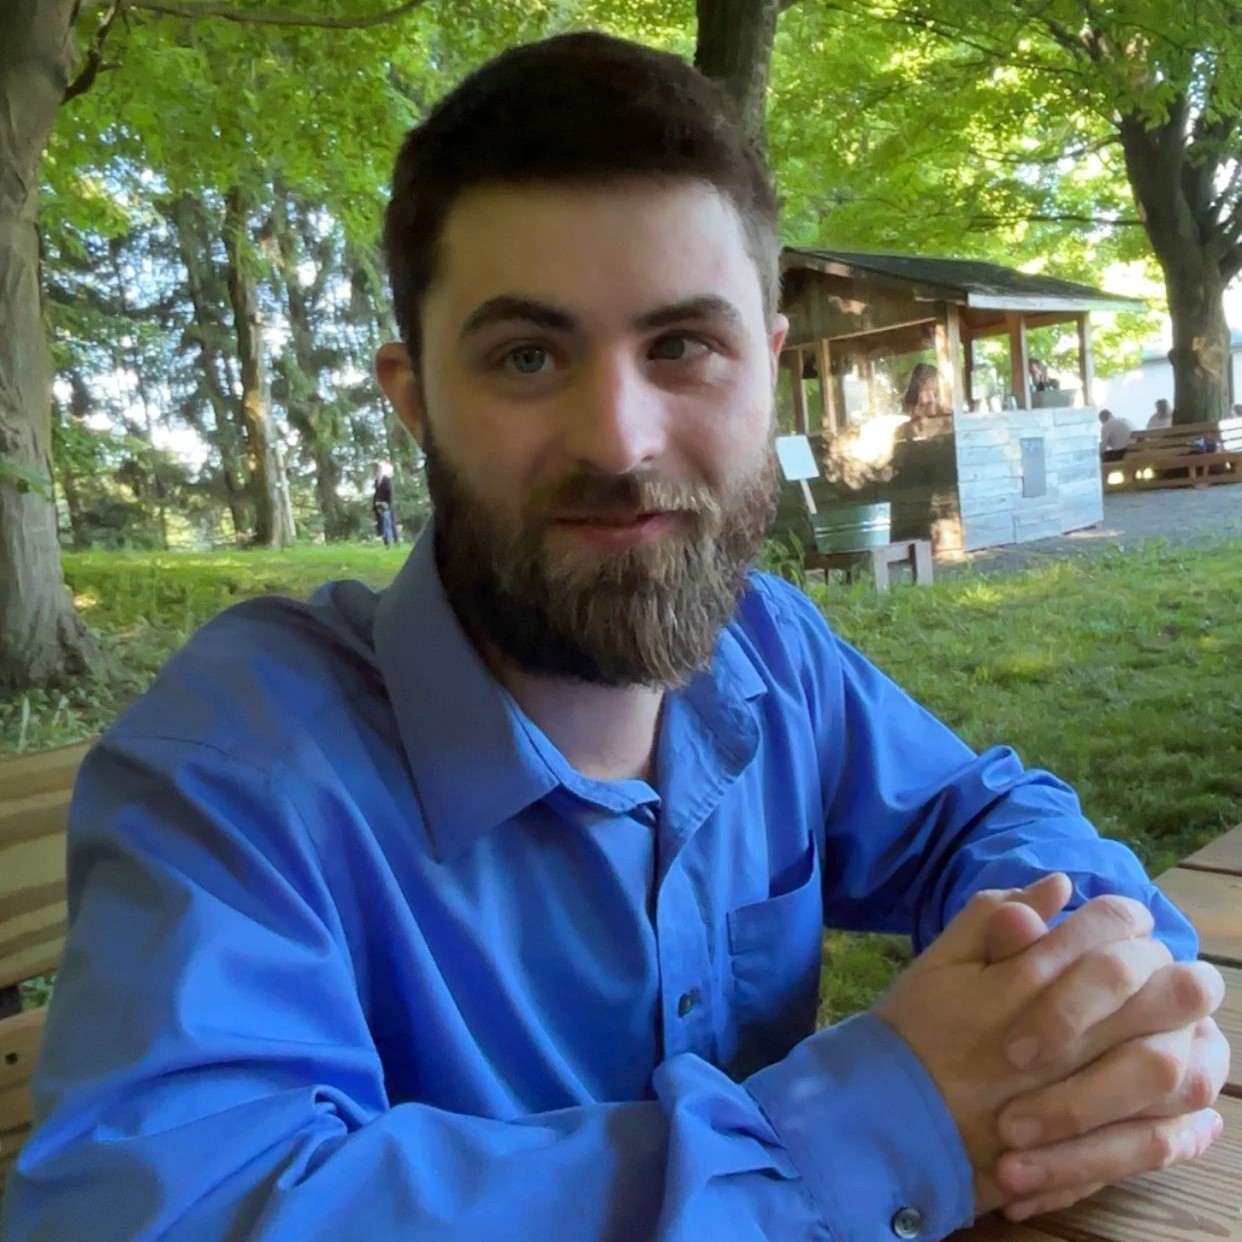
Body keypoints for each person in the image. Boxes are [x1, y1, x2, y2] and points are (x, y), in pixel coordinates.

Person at [3, 33, 1228, 1242]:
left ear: (768, 367)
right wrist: (869, 1133)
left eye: (682, 346)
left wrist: (1090, 992)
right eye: (527, 355)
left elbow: (978, 812)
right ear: (414, 397)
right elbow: (156, 1212)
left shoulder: (768, 655)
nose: (619, 440)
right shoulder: (240, 771)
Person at [371, 461, 396, 545]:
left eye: (374, 471)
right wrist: (375, 506)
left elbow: (390, 493)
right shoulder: (376, 482)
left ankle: (392, 541)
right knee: (381, 524)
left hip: (386, 506)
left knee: (388, 524)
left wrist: (388, 504)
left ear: (378, 470)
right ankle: (386, 543)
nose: (373, 473)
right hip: (378, 506)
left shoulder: (386, 480)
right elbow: (376, 494)